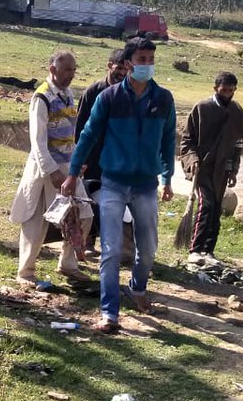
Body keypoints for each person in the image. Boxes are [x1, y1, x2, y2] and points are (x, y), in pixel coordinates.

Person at [62, 37, 176, 334]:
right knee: (111, 250)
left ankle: (137, 287)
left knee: (148, 249)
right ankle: (109, 312)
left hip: (146, 185)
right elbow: (87, 135)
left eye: (151, 59)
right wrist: (73, 174)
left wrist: (168, 178)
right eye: (141, 59)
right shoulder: (109, 98)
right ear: (128, 63)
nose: (147, 64)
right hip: (112, 182)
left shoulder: (164, 99)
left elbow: (168, 140)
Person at [10, 51, 92, 289]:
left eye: (73, 70)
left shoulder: (68, 94)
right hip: (44, 169)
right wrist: (52, 171)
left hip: (68, 167)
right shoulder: (42, 97)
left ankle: (68, 264)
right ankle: (26, 272)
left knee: (83, 215)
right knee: (35, 222)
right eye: (67, 70)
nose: (71, 75)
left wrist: (76, 161)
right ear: (53, 69)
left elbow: (69, 134)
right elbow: (38, 142)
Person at [178, 72, 243, 267]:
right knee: (206, 205)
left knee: (216, 209)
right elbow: (187, 140)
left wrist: (234, 169)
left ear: (235, 90)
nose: (227, 94)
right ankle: (195, 250)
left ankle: (208, 250)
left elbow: (238, 143)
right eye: (224, 90)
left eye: (231, 90)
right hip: (202, 167)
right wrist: (192, 160)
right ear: (215, 89)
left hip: (222, 169)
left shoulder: (236, 111)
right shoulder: (202, 108)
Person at [75, 49, 128, 257]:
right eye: (119, 68)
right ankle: (87, 241)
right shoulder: (93, 91)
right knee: (89, 199)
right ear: (109, 66)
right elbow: (80, 126)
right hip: (93, 156)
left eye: (126, 70)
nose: (122, 73)